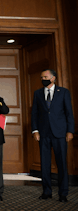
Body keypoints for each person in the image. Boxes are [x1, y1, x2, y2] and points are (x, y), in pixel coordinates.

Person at [31, 69, 74, 203]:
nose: (43, 78)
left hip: (60, 133)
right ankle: (47, 192)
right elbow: (34, 114)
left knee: (61, 163)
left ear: (53, 78)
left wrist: (70, 131)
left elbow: (69, 113)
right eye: (41, 76)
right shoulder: (37, 93)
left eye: (45, 76)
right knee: (45, 164)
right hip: (43, 134)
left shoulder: (64, 92)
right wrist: (35, 131)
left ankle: (63, 193)